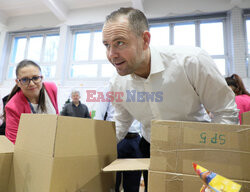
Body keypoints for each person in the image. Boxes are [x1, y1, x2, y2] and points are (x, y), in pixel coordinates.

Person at [102, 7, 239, 191]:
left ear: (145, 40)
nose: (111, 54)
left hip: (198, 149)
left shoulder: (191, 61)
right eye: (107, 45)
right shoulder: (117, 83)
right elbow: (121, 122)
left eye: (120, 43)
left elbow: (225, 112)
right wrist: (92, 151)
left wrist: (215, 162)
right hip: (152, 150)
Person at [94, 87, 143, 192]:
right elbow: (99, 116)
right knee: (112, 181)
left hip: (135, 138)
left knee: (133, 182)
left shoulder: (139, 89)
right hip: (115, 138)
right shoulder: (109, 89)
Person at [4, 59, 59, 144]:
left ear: (41, 77)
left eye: (36, 78)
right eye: (25, 80)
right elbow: (13, 142)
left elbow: (57, 119)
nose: (32, 84)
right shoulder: (12, 107)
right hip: (30, 149)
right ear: (18, 82)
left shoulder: (51, 88)